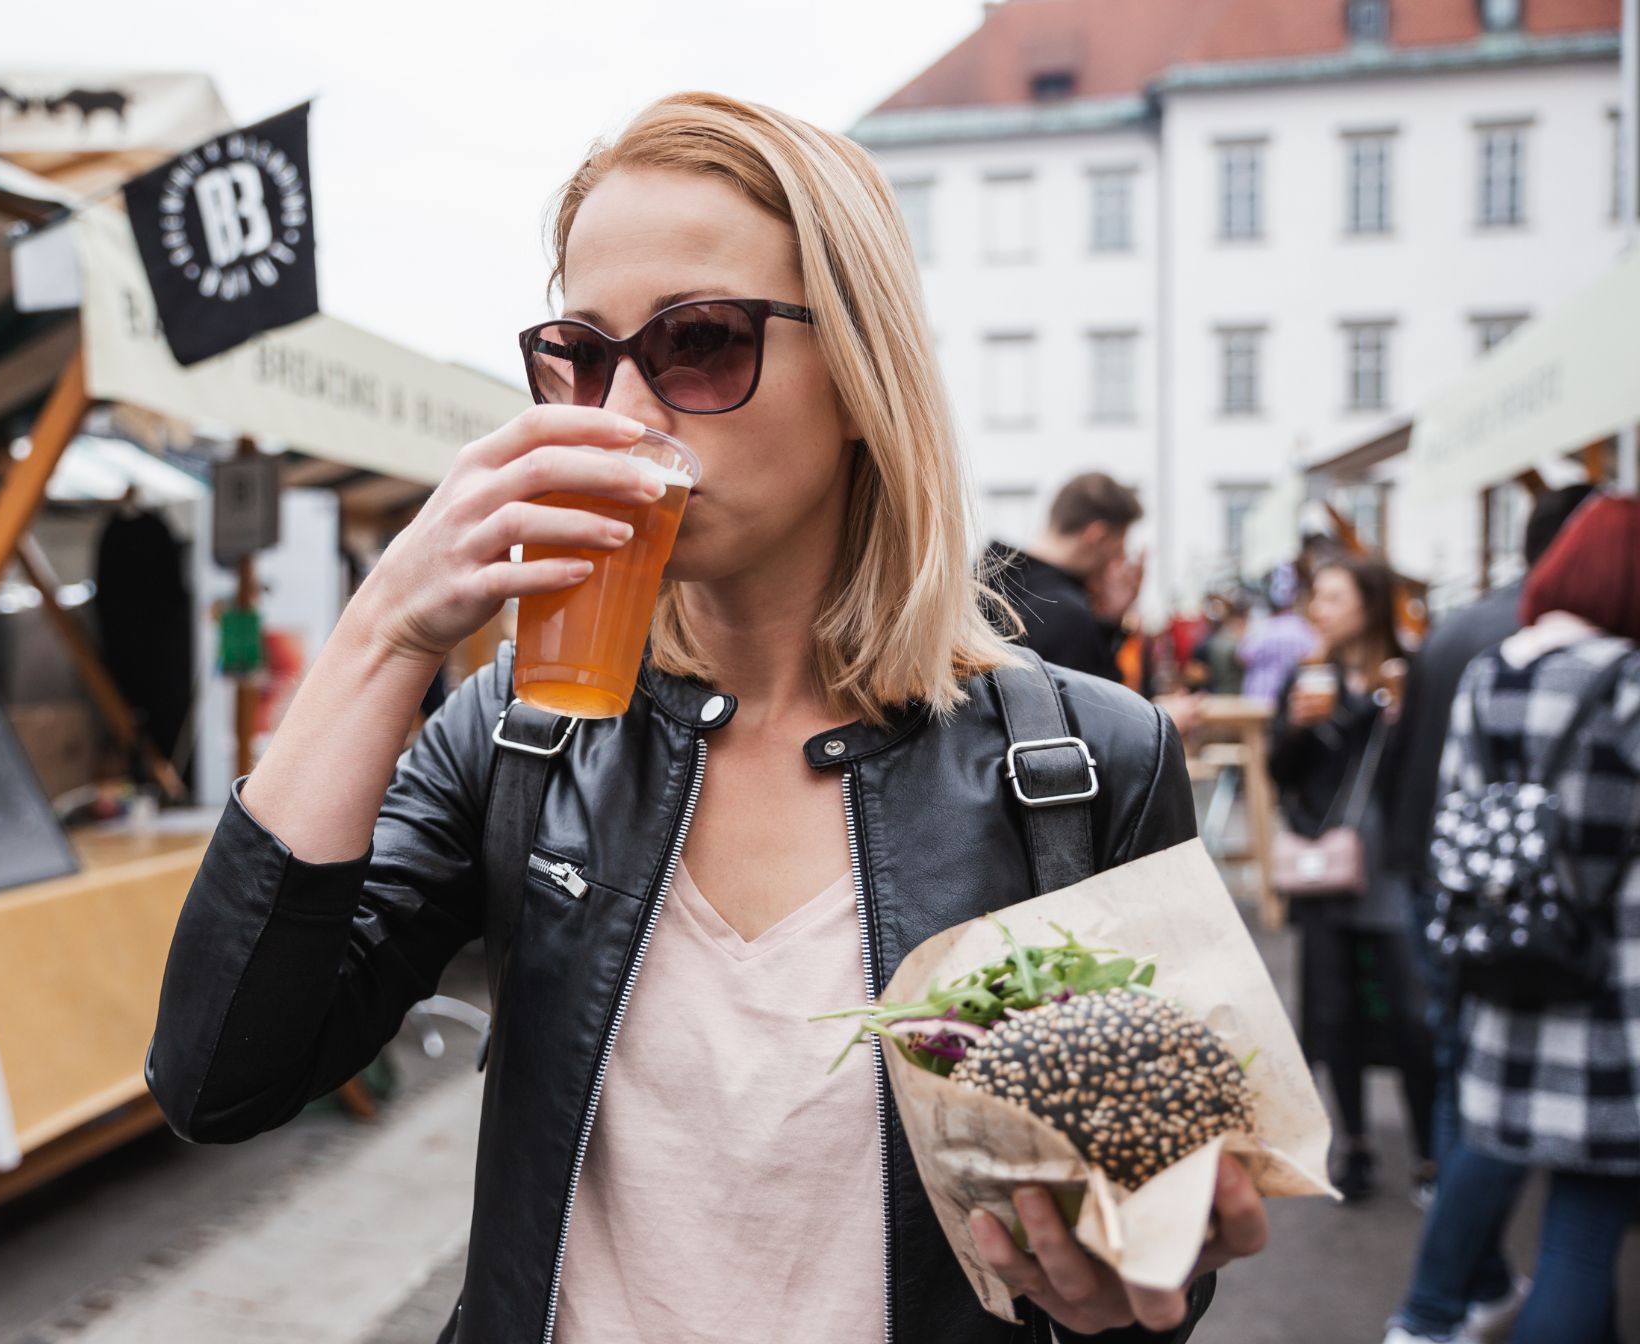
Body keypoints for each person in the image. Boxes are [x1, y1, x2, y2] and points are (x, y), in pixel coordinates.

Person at [145, 92, 1268, 1344]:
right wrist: (384, 632)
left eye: (700, 342)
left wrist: (1129, 1271)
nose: (624, 414)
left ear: (858, 374)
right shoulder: (519, 734)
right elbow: (222, 1076)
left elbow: (1164, 1249)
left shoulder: (1080, 764)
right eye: (581, 352)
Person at [1383, 494, 1640, 1344]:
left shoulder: (1493, 670)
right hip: (1613, 991)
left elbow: (1457, 814)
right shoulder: (1629, 683)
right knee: (1585, 1226)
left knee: (1505, 1164)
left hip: (1508, 969)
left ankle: (1427, 1316)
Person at [1267, 555, 1436, 1201]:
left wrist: (1397, 713)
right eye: (1318, 598)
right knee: (1333, 1013)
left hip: (1390, 866)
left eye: (1334, 598)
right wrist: (1301, 728)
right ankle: (1356, 1144)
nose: (1320, 610)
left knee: (1413, 1014)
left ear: (1368, 604)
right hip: (1327, 866)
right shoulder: (1308, 675)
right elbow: (1282, 770)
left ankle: (1428, 1149)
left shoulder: (1410, 674)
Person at [986, 472, 1146, 684]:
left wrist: (1108, 623)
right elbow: (1096, 711)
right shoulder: (1066, 613)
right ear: (1095, 536)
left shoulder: (990, 577)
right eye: (1118, 549)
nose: (1119, 561)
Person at [1238, 562, 1319, 701]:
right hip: (1290, 699)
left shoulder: (1263, 628)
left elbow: (1243, 656)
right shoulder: (1305, 629)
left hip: (1259, 699)